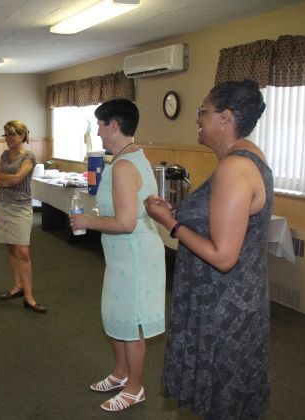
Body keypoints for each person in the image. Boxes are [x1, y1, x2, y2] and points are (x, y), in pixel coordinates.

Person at [144, 79, 271, 419]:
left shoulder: (234, 167)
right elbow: (223, 222)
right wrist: (180, 215)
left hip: (222, 307)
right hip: (231, 299)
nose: (198, 119)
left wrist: (170, 224)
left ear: (226, 117)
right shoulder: (247, 156)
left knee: (223, 402)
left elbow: (223, 257)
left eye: (203, 111)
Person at [70, 98, 165, 411]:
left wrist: (87, 222)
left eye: (100, 125)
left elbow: (125, 223)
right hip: (124, 255)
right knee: (117, 315)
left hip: (135, 254)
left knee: (132, 321)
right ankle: (121, 372)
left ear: (113, 126)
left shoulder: (124, 166)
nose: (97, 132)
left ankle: (135, 388)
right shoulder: (128, 157)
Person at [0, 120, 46, 314]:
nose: (8, 138)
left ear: (22, 136)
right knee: (11, 248)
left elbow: (18, 179)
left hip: (21, 207)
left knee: (23, 251)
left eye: (11, 135)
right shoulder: (5, 155)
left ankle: (29, 297)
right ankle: (18, 286)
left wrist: (6, 179)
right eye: (5, 135)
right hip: (2, 204)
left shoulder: (29, 157)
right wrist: (9, 180)